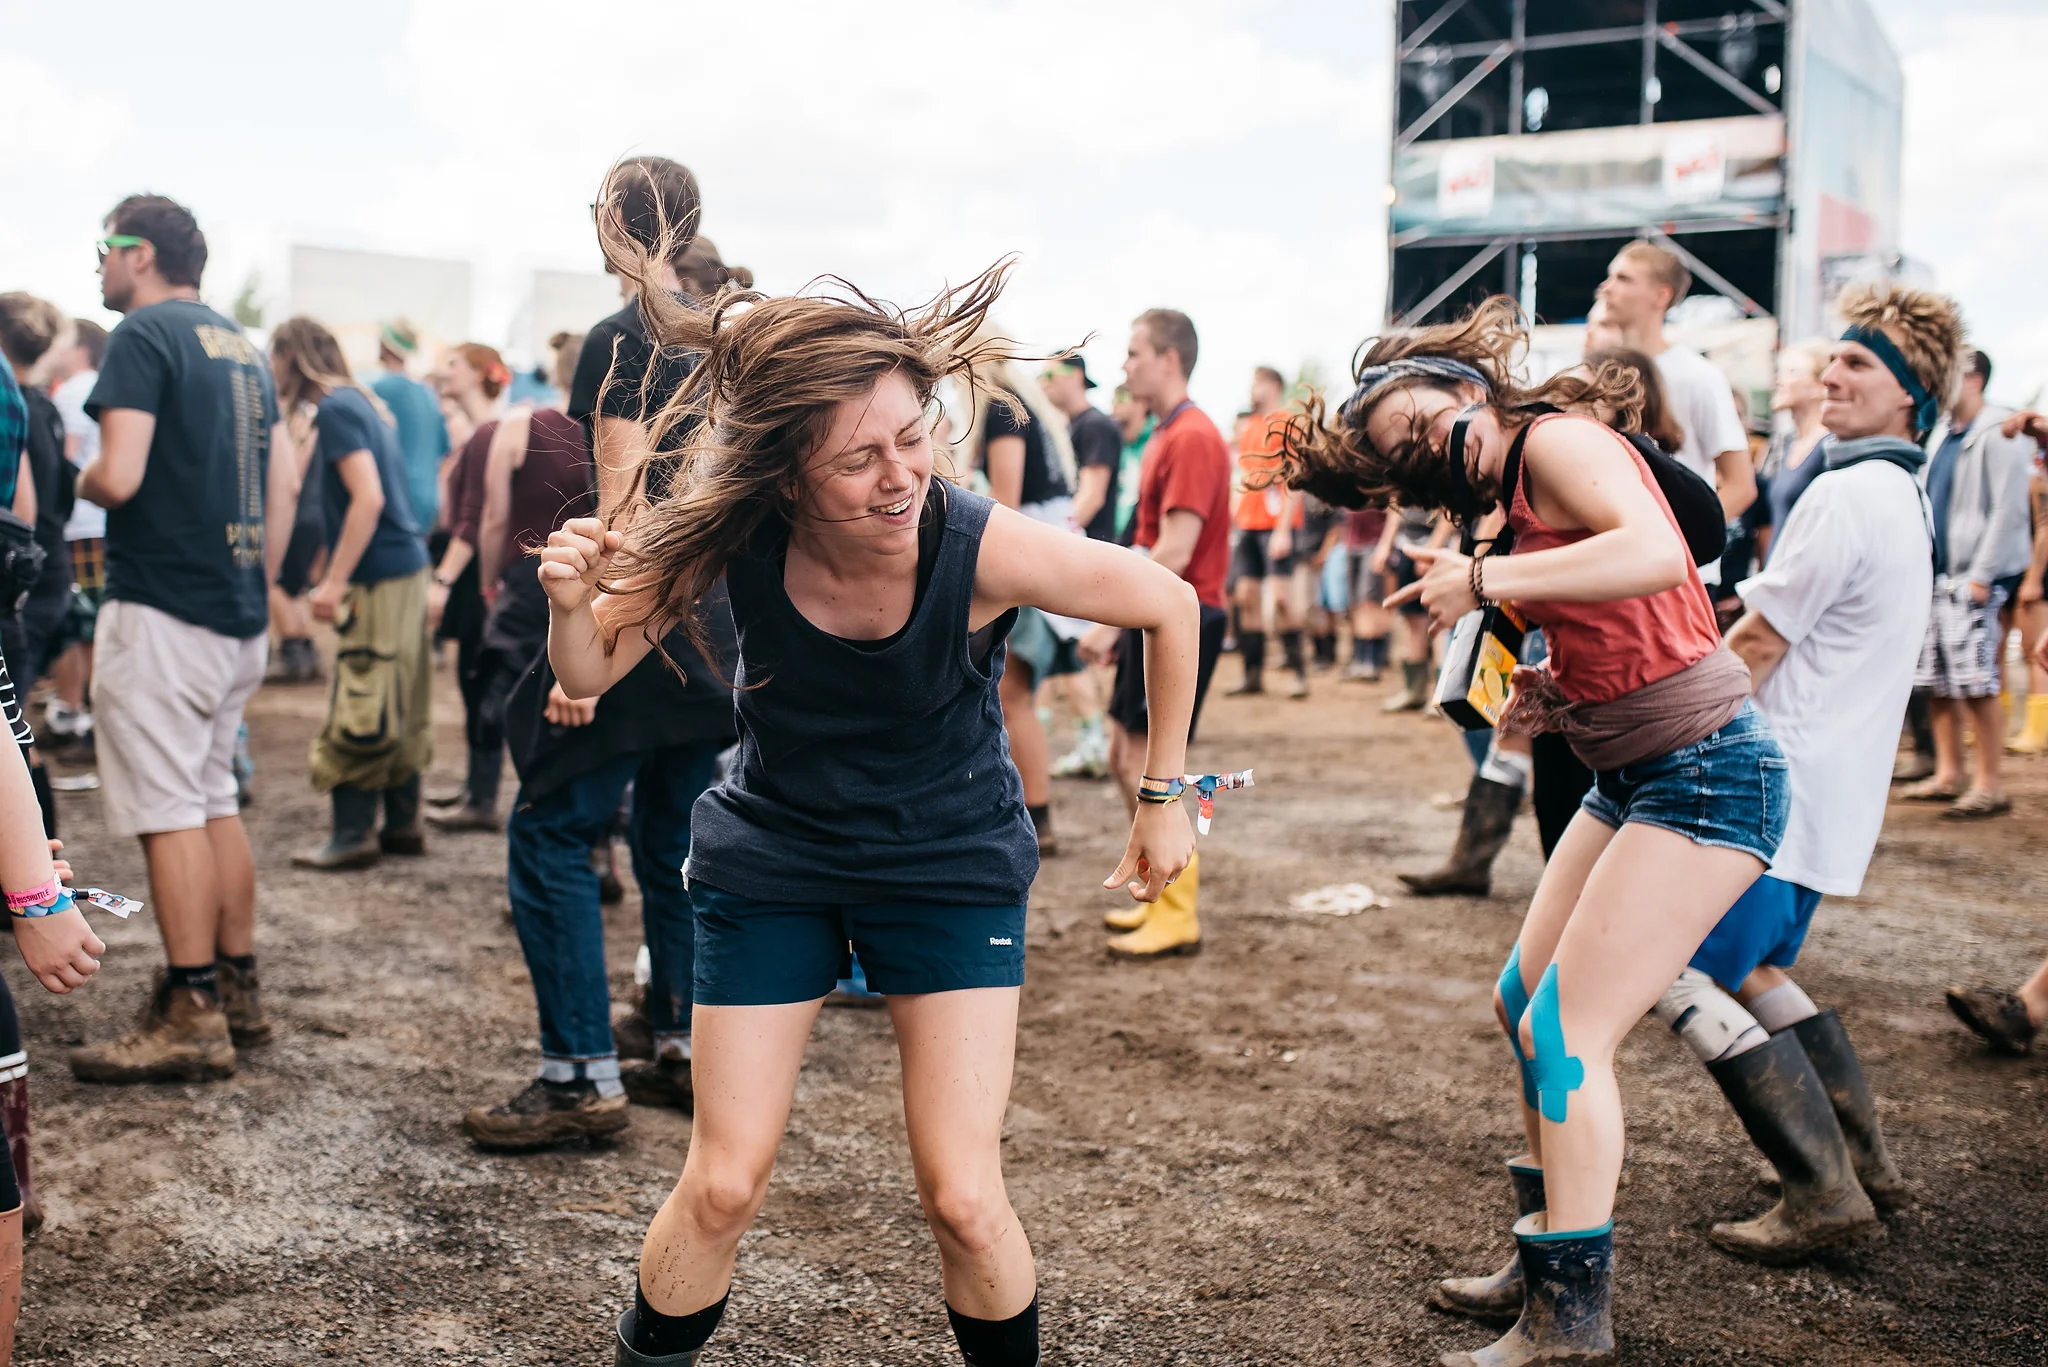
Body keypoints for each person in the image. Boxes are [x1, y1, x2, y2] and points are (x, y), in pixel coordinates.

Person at [539, 256, 1200, 1367]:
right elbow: (588, 668)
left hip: (948, 860)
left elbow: (1169, 603)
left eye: (911, 437)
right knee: (722, 1182)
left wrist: (1161, 796)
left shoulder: (978, 543)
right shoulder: (734, 533)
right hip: (774, 858)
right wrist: (571, 605)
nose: (900, 477)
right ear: (786, 478)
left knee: (964, 1197)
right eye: (857, 459)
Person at [1284, 296, 1787, 1365]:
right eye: (1406, 459)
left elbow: (1654, 553)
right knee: (1523, 1002)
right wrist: (1552, 685)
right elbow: (1625, 616)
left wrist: (1484, 579)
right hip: (1629, 774)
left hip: (1708, 773)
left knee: (1565, 1033)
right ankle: (1548, 1245)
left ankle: (1570, 1318)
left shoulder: (1555, 438)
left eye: (1423, 424)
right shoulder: (1504, 496)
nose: (1431, 451)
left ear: (1462, 383)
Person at [461, 155, 736, 1145]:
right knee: (670, 842)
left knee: (548, 829)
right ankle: (681, 1045)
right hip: (716, 631)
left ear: (618, 222)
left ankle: (578, 1074)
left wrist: (590, 658)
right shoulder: (724, 335)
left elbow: (624, 509)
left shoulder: (626, 334)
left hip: (641, 625)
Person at [68, 194, 279, 1084]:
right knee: (210, 797)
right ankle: (236, 987)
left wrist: (67, 473)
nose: (99, 263)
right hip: (234, 606)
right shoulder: (242, 345)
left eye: (106, 246)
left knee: (169, 812)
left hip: (163, 605)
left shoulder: (142, 335)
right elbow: (279, 484)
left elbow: (118, 475)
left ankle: (191, 1008)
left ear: (142, 254)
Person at [1080, 308, 1230, 960]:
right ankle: (1160, 896)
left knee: (1154, 769)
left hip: (1183, 618)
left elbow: (1174, 550)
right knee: (1125, 757)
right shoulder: (1170, 432)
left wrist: (1105, 619)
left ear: (1169, 359)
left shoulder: (1192, 435)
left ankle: (1177, 910)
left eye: (1134, 352)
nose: (1124, 365)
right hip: (1156, 616)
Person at [264, 319, 431, 868]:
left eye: (274, 355)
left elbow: (368, 498)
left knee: (364, 697)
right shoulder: (360, 401)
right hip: (404, 570)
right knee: (401, 698)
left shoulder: (335, 408)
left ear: (292, 355)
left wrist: (334, 581)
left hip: (378, 578)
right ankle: (402, 826)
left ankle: (353, 834)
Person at [1897, 349, 2032, 819]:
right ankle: (1949, 772)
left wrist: (1982, 574)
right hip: (1939, 576)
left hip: (1972, 579)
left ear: (1973, 380)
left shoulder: (2000, 431)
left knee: (1977, 684)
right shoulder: (1944, 434)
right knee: (1937, 683)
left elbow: (2008, 509)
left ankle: (1989, 784)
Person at [968, 350, 1078, 855]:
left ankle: (1038, 818)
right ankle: (1036, 814)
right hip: (1041, 557)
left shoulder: (1002, 409)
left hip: (1021, 564)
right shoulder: (1027, 406)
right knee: (1018, 697)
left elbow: (1004, 504)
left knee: (1014, 697)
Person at [1594, 241, 1755, 543]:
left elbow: (1740, 485)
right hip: (1613, 556)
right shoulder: (1598, 373)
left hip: (1674, 564)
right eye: (1610, 276)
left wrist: (1681, 545)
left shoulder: (1698, 376)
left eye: (1624, 279)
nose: (1607, 287)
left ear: (1661, 295)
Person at [423, 344, 510, 817]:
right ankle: (475, 789)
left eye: (454, 363)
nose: (446, 371)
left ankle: (481, 797)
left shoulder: (488, 432)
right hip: (478, 574)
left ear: (477, 374)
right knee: (473, 678)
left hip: (477, 575)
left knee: (477, 677)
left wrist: (442, 580)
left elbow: (474, 518)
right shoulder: (484, 431)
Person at [0, 296, 74, 835]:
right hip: (42, 575)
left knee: (13, 738)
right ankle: (41, 863)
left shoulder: (19, 398)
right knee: (16, 729)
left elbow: (22, 512)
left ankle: (36, 864)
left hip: (23, 583)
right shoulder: (38, 405)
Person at [1040, 356, 1120, 779]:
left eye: (1050, 373)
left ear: (1074, 376)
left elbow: (1092, 495)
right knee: (1063, 653)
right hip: (1076, 549)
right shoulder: (1069, 426)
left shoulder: (1095, 425)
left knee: (1075, 649)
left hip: (1090, 550)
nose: (1043, 382)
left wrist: (1055, 546)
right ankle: (1086, 741)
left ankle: (1095, 743)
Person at [44, 319, 108, 764]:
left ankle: (81, 714)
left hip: (79, 526)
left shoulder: (71, 392)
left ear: (81, 348)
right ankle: (88, 713)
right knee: (94, 623)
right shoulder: (99, 385)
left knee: (82, 622)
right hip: (99, 523)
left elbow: (62, 465)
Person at [1228, 366, 1308, 698]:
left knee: (1281, 598)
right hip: (1247, 524)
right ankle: (1252, 675)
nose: (1252, 388)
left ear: (1274, 386)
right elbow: (1244, 476)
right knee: (1246, 596)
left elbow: (1295, 477)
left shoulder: (1286, 423)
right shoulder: (1249, 426)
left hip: (1276, 526)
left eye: (1257, 382)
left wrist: (1283, 529)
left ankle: (1299, 673)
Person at [368, 318, 449, 553]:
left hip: (396, 499)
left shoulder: (379, 390)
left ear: (385, 344)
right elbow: (443, 448)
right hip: (427, 500)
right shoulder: (427, 393)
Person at [1753, 341, 1832, 567]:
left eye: (1792, 372)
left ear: (1820, 387)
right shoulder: (1785, 444)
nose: (1779, 380)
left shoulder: (1829, 447)